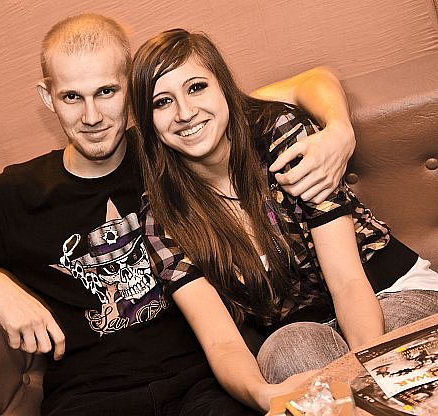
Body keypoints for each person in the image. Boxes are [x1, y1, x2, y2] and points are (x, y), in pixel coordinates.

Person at [0, 14, 356, 416]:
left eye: (106, 92)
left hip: (204, 379)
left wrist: (338, 129)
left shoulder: (172, 144)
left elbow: (307, 83)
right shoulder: (18, 193)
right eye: (71, 97)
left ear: (132, 93)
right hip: (91, 395)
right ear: (47, 97)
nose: (92, 117)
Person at [130, 28, 438, 412]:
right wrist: (263, 395)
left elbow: (347, 282)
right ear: (148, 121)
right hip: (304, 330)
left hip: (386, 290)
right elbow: (222, 343)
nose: (185, 112)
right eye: (162, 102)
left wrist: (372, 384)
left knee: (390, 355)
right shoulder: (163, 216)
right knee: (284, 352)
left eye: (196, 87)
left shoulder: (280, 136)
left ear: (223, 86)